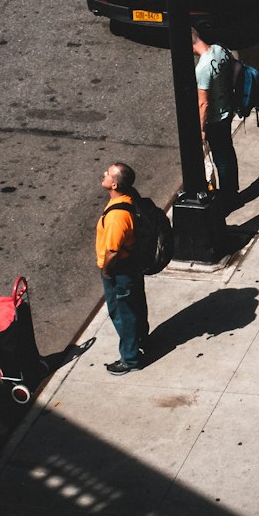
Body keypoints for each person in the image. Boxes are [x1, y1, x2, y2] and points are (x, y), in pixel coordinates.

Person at [97, 161, 149, 375]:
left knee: (122, 313)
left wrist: (107, 271)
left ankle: (129, 358)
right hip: (132, 265)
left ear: (115, 185)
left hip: (120, 271)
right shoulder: (130, 198)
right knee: (136, 306)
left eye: (108, 174)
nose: (104, 174)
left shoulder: (117, 217)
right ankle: (142, 341)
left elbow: (113, 251)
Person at [192, 26, 239, 209]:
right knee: (227, 152)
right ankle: (232, 190)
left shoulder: (203, 68)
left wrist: (201, 128)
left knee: (220, 158)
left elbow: (203, 103)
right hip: (227, 110)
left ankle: (227, 197)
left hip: (215, 119)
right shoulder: (221, 50)